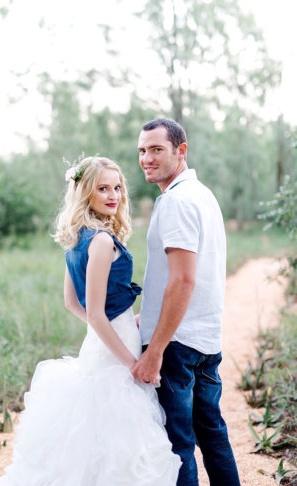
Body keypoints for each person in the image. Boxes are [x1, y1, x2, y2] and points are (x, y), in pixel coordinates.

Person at [0, 156, 181, 486]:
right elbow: (95, 312)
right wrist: (131, 362)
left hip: (103, 340)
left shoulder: (76, 239)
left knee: (98, 431)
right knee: (118, 435)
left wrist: (121, 319)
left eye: (118, 188)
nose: (113, 195)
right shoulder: (101, 241)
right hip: (114, 349)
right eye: (103, 189)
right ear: (86, 193)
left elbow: (73, 303)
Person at [132, 119, 241, 486]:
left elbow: (183, 279)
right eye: (143, 150)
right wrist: (144, 316)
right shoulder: (201, 194)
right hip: (205, 339)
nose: (147, 158)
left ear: (181, 150)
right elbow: (179, 275)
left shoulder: (176, 201)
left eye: (157, 149)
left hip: (177, 346)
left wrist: (154, 351)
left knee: (178, 445)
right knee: (212, 434)